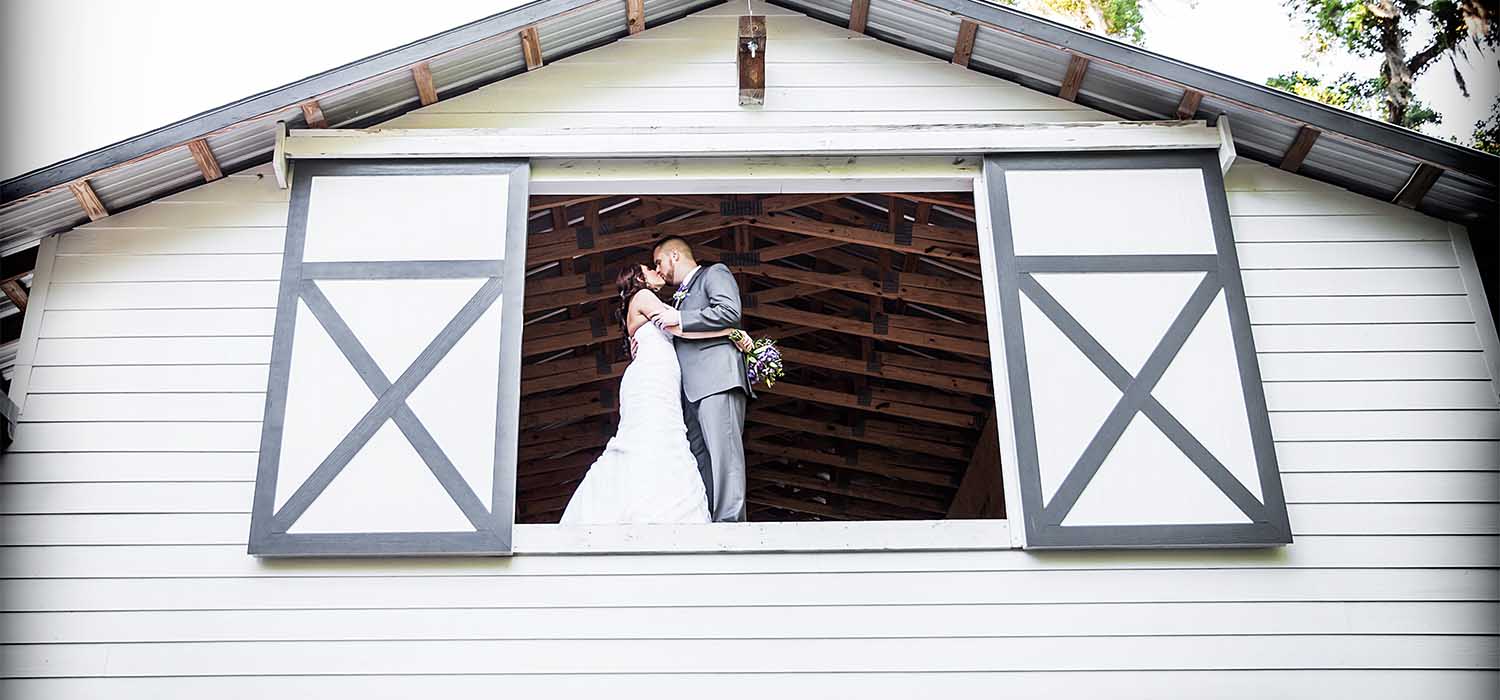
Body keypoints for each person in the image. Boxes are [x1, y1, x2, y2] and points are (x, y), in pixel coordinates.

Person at [559, 263, 754, 525]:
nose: (656, 271)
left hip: (658, 375)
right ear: (640, 278)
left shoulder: (642, 301)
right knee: (654, 434)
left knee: (662, 434)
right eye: (650, 269)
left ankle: (645, 499)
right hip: (652, 375)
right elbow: (677, 326)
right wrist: (731, 332)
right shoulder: (644, 296)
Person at [648, 236, 752, 522]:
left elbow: (729, 312)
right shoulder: (677, 298)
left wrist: (680, 319)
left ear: (674, 256)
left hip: (717, 378)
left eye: (659, 262)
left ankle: (730, 522)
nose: (659, 270)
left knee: (724, 454)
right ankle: (707, 520)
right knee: (700, 459)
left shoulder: (713, 273)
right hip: (689, 390)